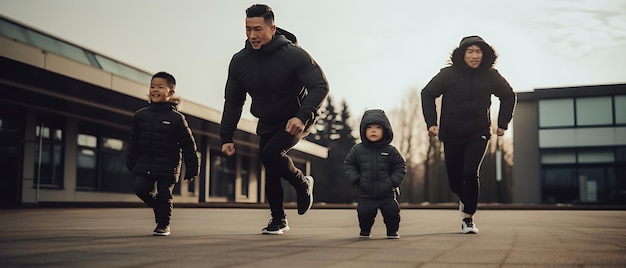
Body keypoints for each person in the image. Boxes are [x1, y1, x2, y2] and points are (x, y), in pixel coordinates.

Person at [220, 4, 329, 235]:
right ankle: (278, 220)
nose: (252, 35)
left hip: (298, 116)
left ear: (272, 28)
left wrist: (302, 116)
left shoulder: (294, 55)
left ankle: (302, 183)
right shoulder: (240, 62)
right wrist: (226, 136)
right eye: (248, 29)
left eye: (258, 29)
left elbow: (320, 86)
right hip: (268, 120)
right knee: (269, 166)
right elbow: (233, 101)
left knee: (271, 154)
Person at [421, 35, 516, 234]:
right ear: (462, 54)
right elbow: (427, 93)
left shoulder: (491, 76)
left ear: (485, 54)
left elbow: (509, 95)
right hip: (451, 132)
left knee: (470, 173)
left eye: (478, 51)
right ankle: (464, 198)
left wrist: (502, 124)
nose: (474, 56)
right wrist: (432, 123)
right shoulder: (448, 74)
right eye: (470, 51)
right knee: (455, 180)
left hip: (478, 131)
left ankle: (468, 219)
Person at [126, 71, 200, 236]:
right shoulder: (140, 115)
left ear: (171, 93)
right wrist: (130, 161)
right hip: (145, 162)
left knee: (164, 194)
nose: (155, 90)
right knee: (141, 189)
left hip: (168, 165)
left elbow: (189, 145)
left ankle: (163, 225)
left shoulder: (176, 118)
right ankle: (159, 207)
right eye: (152, 86)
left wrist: (192, 168)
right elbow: (134, 141)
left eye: (160, 87)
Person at [344, 109, 407, 239]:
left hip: (387, 193)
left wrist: (393, 182)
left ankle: (392, 232)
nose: (373, 130)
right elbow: (349, 164)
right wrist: (356, 179)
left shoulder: (391, 151)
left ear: (385, 130)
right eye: (369, 127)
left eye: (378, 127)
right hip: (366, 193)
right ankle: (365, 231)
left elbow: (400, 166)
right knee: (364, 214)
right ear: (363, 130)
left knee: (392, 213)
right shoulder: (357, 150)